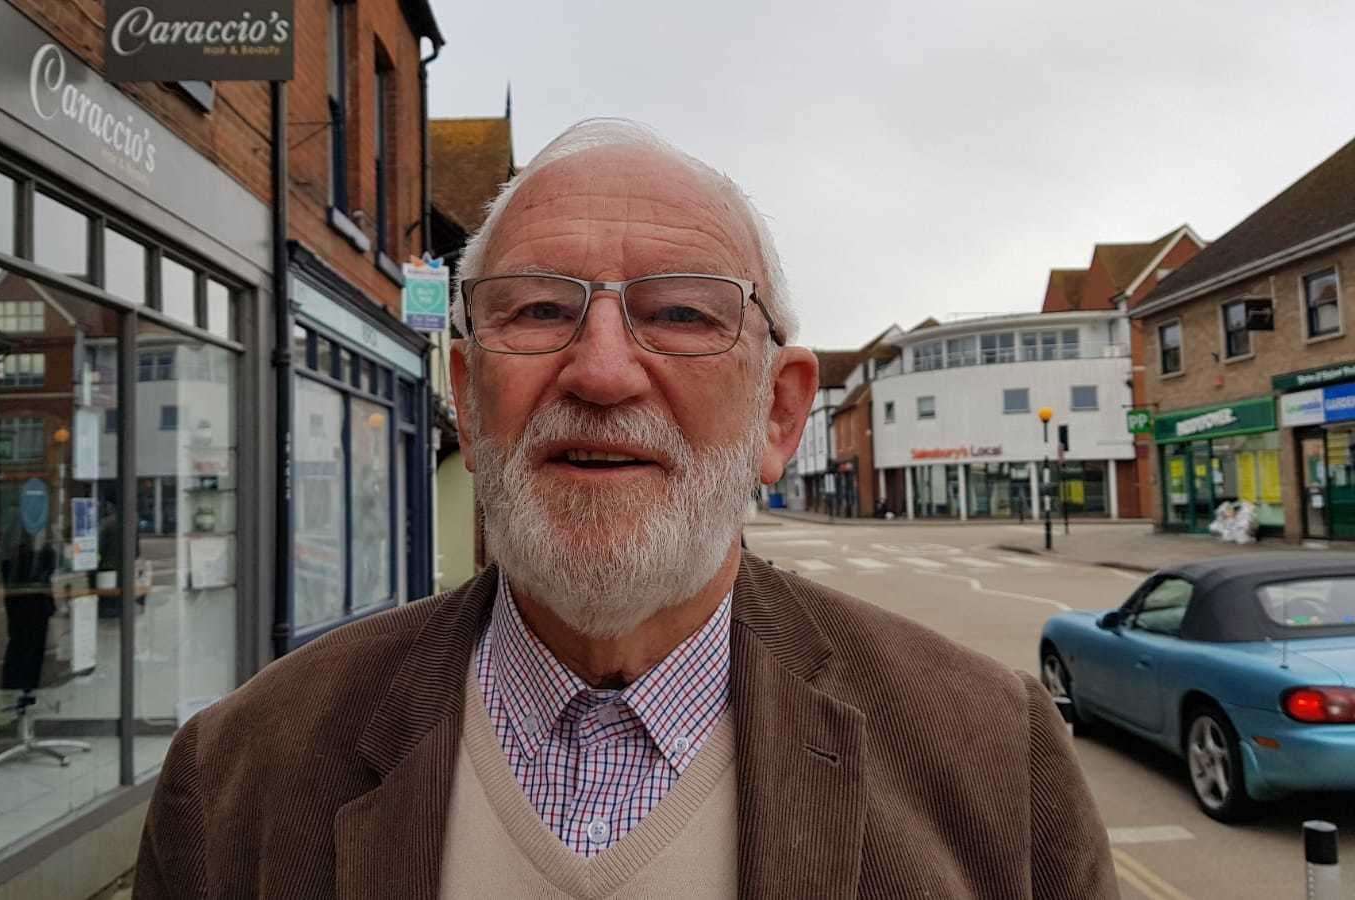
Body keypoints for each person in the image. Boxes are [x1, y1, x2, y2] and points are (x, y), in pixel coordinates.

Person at [135, 119, 1116, 898]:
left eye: (683, 313)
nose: (601, 372)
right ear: (471, 399)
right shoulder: (236, 778)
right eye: (539, 310)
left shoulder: (995, 757)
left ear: (779, 410)